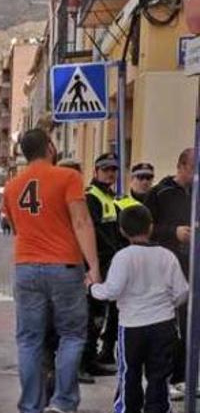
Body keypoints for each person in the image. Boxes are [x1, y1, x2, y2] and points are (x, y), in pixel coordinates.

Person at [1, 129, 100, 413]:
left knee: (29, 339)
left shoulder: (11, 187)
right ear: (50, 147)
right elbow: (81, 221)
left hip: (26, 266)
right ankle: (64, 401)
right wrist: (93, 266)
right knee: (71, 334)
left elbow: (17, 228)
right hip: (65, 266)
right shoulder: (68, 178)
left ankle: (30, 410)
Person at [89, 205, 187, 413]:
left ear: (122, 231)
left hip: (131, 326)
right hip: (163, 324)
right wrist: (168, 305)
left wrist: (93, 288)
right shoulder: (167, 256)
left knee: (129, 371)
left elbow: (111, 291)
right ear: (151, 227)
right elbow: (182, 291)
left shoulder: (123, 257)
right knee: (159, 374)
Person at [146, 148, 194, 400]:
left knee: (191, 323)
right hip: (168, 265)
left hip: (194, 265)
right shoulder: (160, 193)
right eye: (194, 167)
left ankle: (187, 376)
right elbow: (148, 229)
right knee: (170, 324)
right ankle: (170, 377)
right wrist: (173, 232)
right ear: (181, 166)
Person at [81, 153, 124, 382]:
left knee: (99, 314)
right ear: (96, 172)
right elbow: (92, 232)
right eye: (106, 169)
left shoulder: (109, 197)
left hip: (108, 263)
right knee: (90, 315)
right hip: (95, 264)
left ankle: (91, 360)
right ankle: (82, 364)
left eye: (114, 170)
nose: (110, 173)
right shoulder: (92, 197)